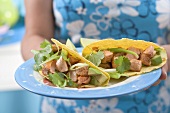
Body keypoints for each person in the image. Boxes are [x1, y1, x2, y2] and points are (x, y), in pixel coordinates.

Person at [21, 0, 170, 113]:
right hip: (66, 101)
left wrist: (165, 55)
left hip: (152, 101)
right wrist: (52, 61)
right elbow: (34, 34)